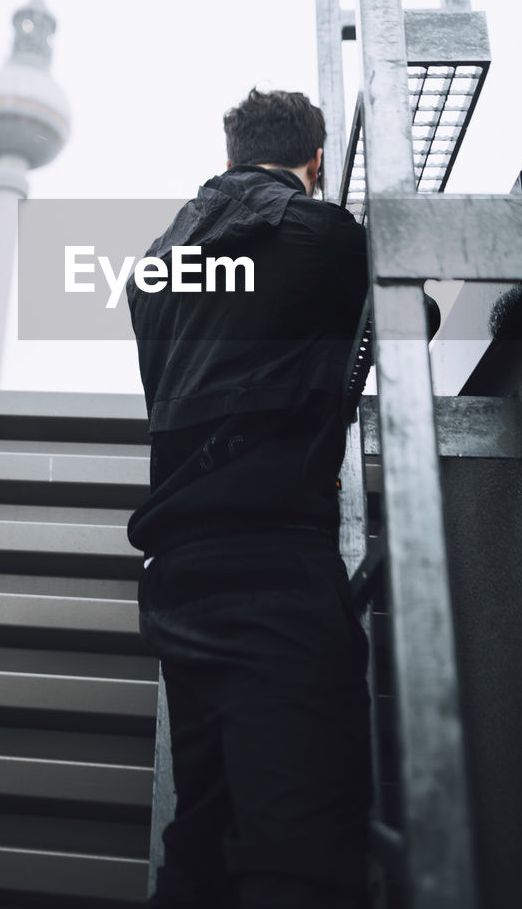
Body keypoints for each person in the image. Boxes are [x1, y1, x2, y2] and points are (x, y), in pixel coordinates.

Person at [126, 88, 374, 909]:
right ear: (314, 162)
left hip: (179, 576)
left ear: (230, 156)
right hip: (272, 561)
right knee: (297, 846)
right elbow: (413, 318)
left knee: (203, 835)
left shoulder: (155, 266)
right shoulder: (317, 233)